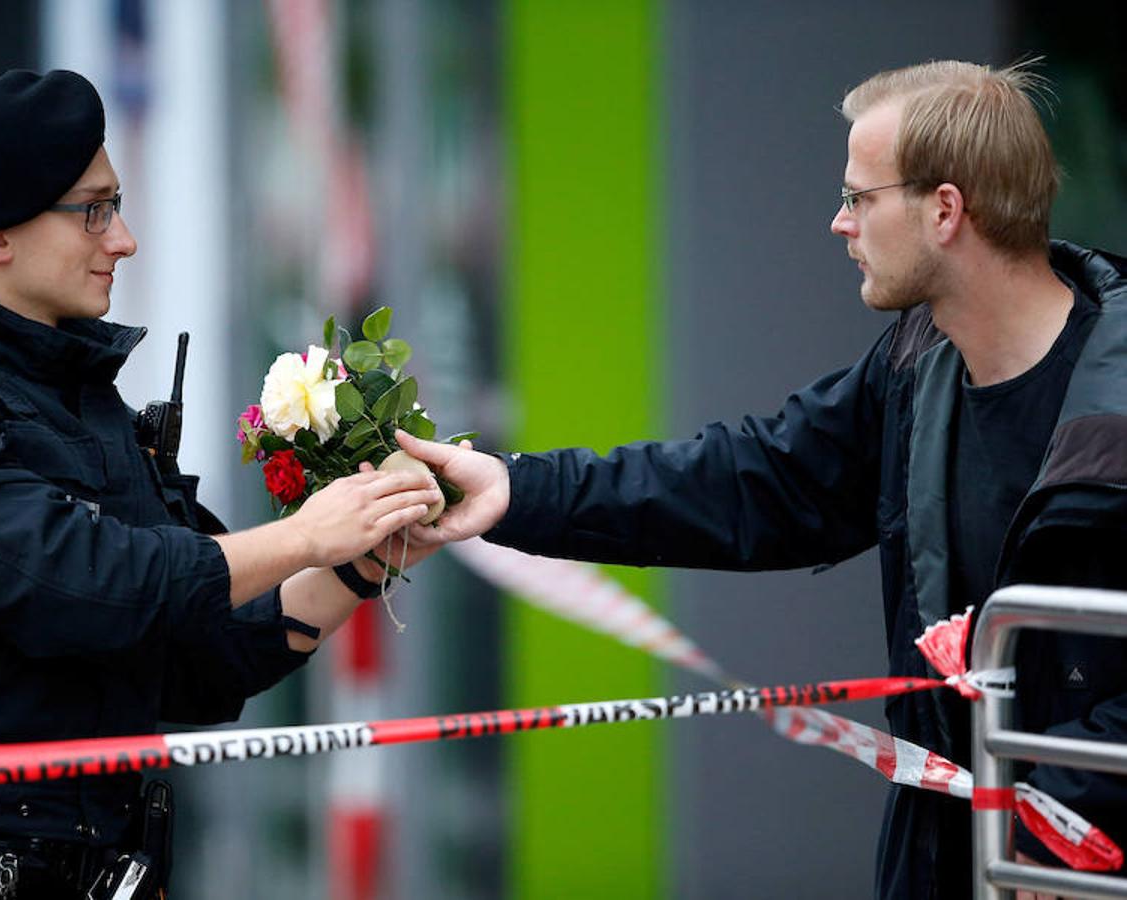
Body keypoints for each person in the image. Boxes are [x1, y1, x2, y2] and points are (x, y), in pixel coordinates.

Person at [398, 59, 1127, 899]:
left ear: (945, 210)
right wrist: (516, 491)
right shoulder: (915, 368)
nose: (837, 223)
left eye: (860, 198)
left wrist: (1065, 812)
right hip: (948, 857)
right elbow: (748, 480)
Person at [0, 69, 440, 899]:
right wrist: (305, 533)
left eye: (116, 205)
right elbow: (85, 585)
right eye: (93, 210)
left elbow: (202, 651)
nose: (123, 239)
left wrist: (366, 552)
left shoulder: (85, 402)